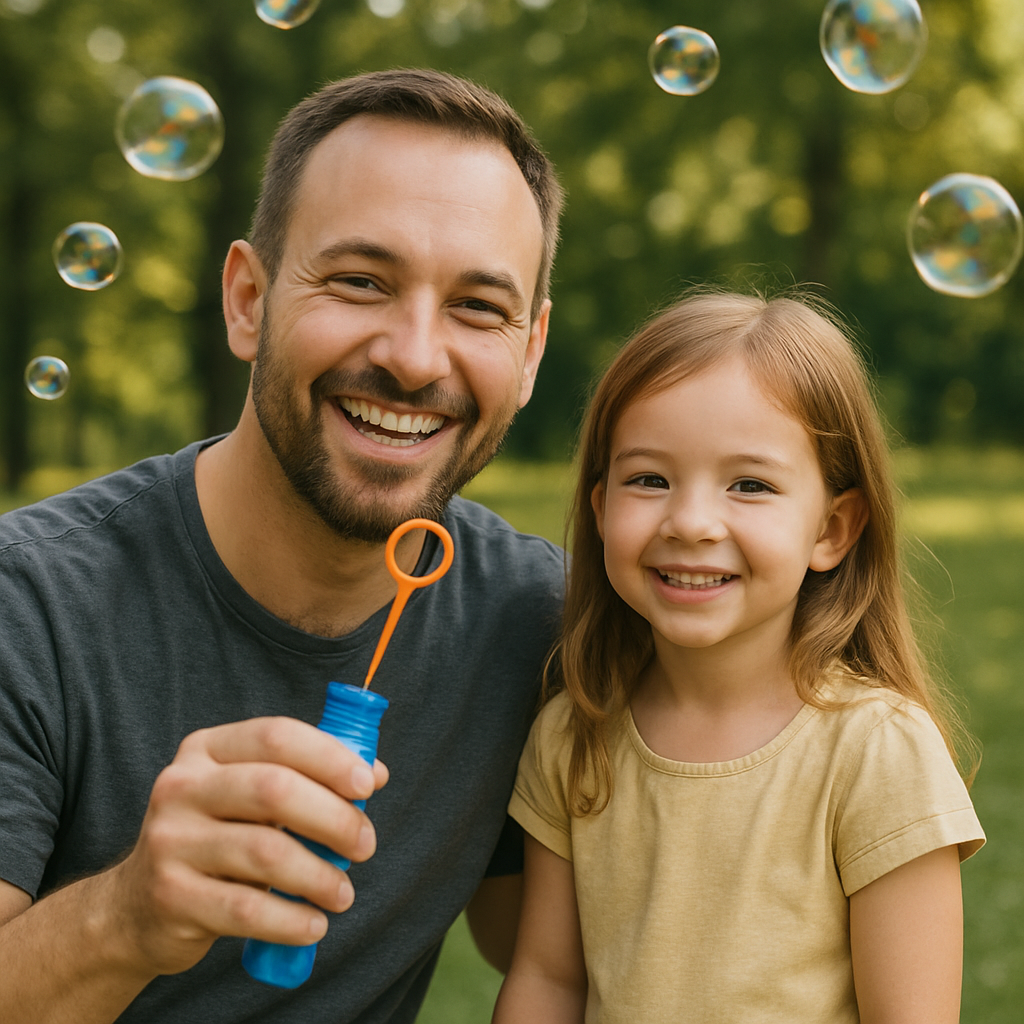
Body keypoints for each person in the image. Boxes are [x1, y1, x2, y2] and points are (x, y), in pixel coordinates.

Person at [0, 69, 566, 1023]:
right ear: (247, 299)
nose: (416, 356)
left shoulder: (535, 624)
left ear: (531, 353)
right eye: (359, 281)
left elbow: (568, 953)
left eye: (478, 306)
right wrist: (127, 916)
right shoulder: (29, 603)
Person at [492, 290, 986, 1024]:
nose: (691, 522)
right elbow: (548, 980)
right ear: (599, 512)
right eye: (649, 479)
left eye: (749, 485)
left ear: (833, 528)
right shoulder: (573, 735)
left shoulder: (876, 752)